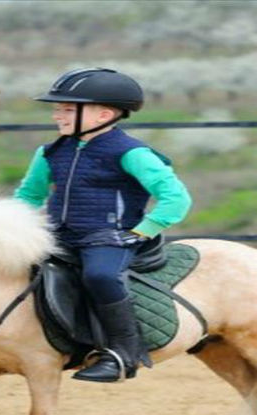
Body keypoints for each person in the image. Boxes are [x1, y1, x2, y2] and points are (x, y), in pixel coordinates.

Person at [13, 68, 192, 383]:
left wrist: (143, 231)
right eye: (58, 109)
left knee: (100, 275)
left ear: (104, 115)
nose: (57, 115)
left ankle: (124, 354)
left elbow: (175, 198)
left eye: (67, 110)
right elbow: (29, 196)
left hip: (110, 237)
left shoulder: (133, 153)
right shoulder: (50, 152)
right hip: (58, 235)